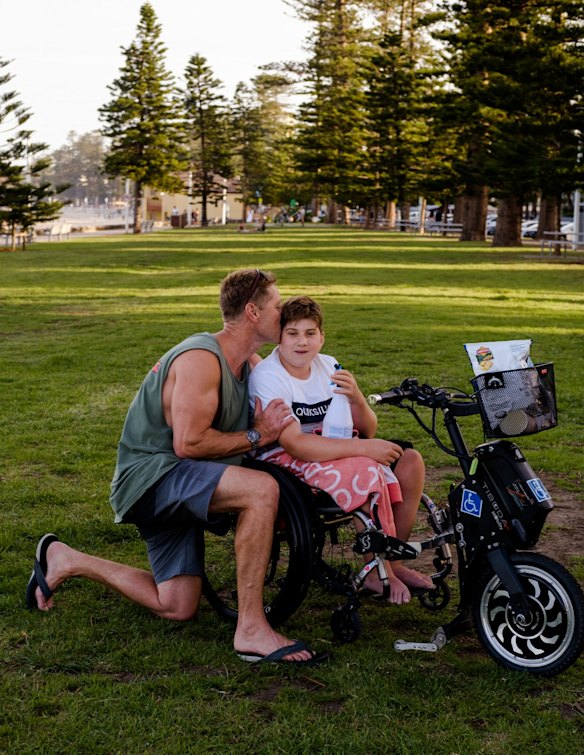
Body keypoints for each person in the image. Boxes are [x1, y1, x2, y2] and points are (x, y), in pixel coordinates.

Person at [25, 270, 326, 665]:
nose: (283, 310)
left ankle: (66, 558)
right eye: (276, 304)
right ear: (253, 312)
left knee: (177, 606)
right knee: (259, 489)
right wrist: (258, 436)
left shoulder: (250, 362)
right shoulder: (202, 358)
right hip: (152, 477)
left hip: (186, 480)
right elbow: (190, 443)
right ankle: (251, 628)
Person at [248, 296, 434, 605]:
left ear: (322, 336)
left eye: (310, 333)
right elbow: (295, 444)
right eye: (292, 333)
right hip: (287, 456)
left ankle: (394, 563)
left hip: (334, 444)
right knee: (366, 468)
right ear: (279, 338)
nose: (302, 342)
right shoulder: (269, 377)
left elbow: (368, 429)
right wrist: (363, 448)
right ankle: (375, 571)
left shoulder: (330, 365)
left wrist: (357, 397)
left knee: (410, 461)